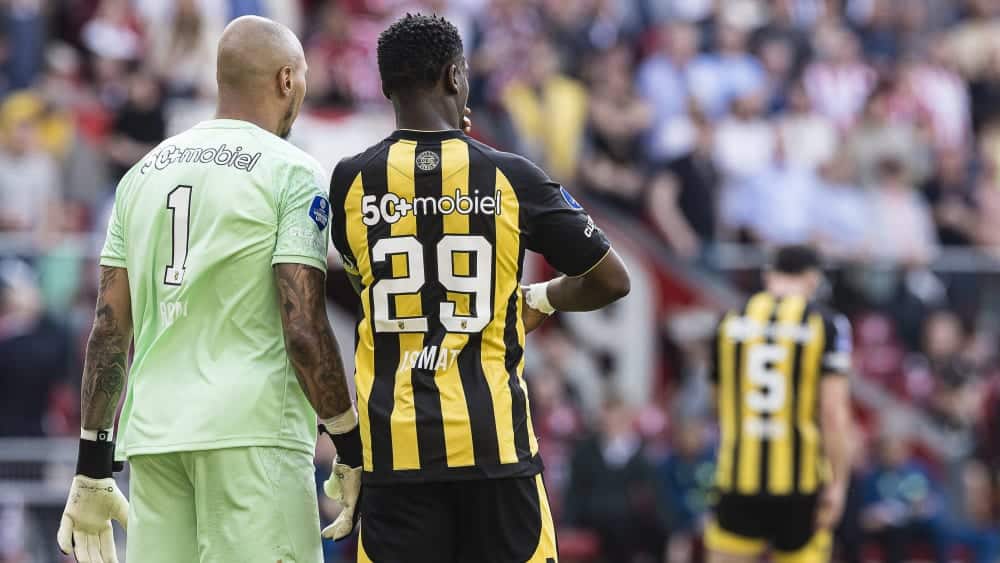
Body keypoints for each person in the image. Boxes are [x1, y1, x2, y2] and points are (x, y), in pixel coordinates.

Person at [325, 13, 630, 562]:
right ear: (454, 76)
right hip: (496, 451)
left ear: (387, 87)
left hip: (395, 456)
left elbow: (362, 284)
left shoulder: (350, 180)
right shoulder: (510, 175)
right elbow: (611, 279)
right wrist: (538, 299)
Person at [55, 16, 361, 563]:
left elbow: (108, 328)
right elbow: (303, 326)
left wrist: (92, 459)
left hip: (155, 440)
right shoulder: (293, 172)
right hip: (253, 436)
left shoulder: (142, 174)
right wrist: (349, 440)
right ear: (286, 79)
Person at [705, 245, 853, 563]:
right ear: (813, 279)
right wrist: (839, 482)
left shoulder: (729, 321)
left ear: (768, 275)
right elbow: (833, 413)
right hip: (801, 483)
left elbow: (717, 403)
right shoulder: (826, 324)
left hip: (738, 476)